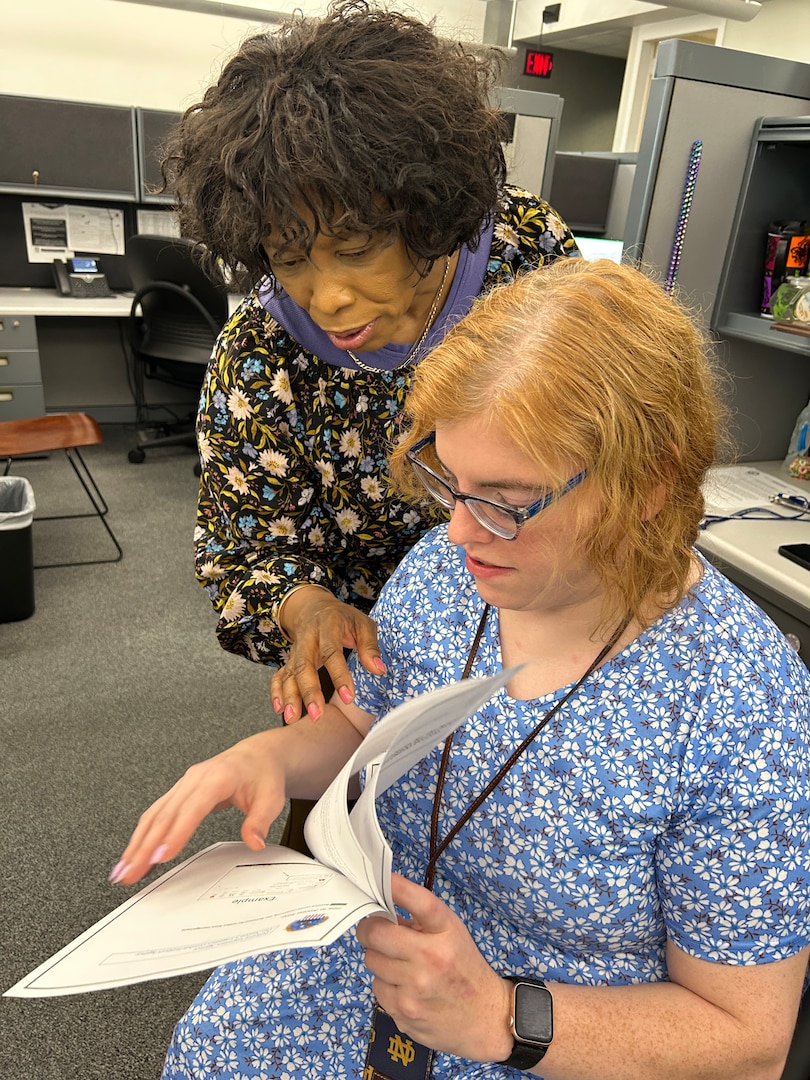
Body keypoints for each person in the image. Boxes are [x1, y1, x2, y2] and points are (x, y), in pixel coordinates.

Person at [113, 258, 810, 1080]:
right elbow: (363, 724)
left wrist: (499, 1015)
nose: (456, 532)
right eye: (450, 480)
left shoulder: (739, 705)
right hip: (377, 948)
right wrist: (262, 759)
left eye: (507, 500)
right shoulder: (454, 571)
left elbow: (748, 1040)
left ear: (649, 483)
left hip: (558, 1029)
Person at [173, 0, 579, 733]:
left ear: (424, 213)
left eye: (357, 247)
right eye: (290, 259)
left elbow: (592, 436)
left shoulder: (528, 260)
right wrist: (309, 610)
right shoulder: (260, 360)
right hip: (372, 671)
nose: (327, 296)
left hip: (536, 630)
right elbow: (245, 550)